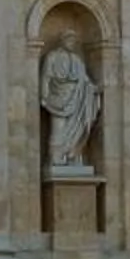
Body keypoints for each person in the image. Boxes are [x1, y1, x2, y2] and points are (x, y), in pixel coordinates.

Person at [39, 33, 100, 168]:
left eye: (73, 41)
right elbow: (46, 77)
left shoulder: (77, 60)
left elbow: (84, 80)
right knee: (58, 131)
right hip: (57, 99)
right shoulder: (52, 57)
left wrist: (93, 89)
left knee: (75, 130)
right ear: (63, 41)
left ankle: (71, 155)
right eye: (69, 40)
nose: (72, 43)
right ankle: (55, 158)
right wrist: (44, 96)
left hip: (76, 99)